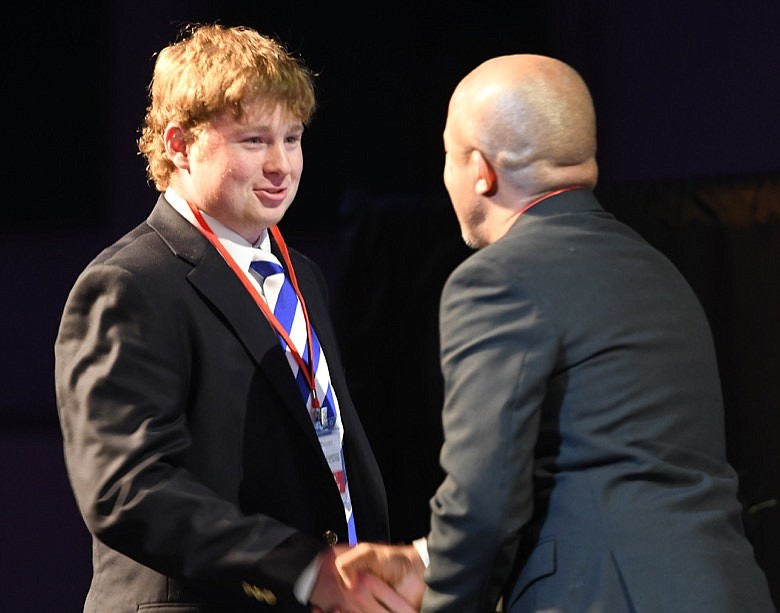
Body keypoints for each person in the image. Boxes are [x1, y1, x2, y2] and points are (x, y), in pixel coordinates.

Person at [336, 54, 776, 611]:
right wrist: (429, 558)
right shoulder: (659, 271)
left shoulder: (497, 280)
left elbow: (486, 498)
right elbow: (615, 467)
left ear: (481, 170)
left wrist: (445, 599)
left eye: (446, 153)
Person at [54, 23, 417, 612]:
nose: (281, 165)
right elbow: (127, 487)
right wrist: (298, 568)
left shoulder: (302, 273)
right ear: (178, 144)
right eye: (253, 141)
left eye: (293, 138)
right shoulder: (130, 283)